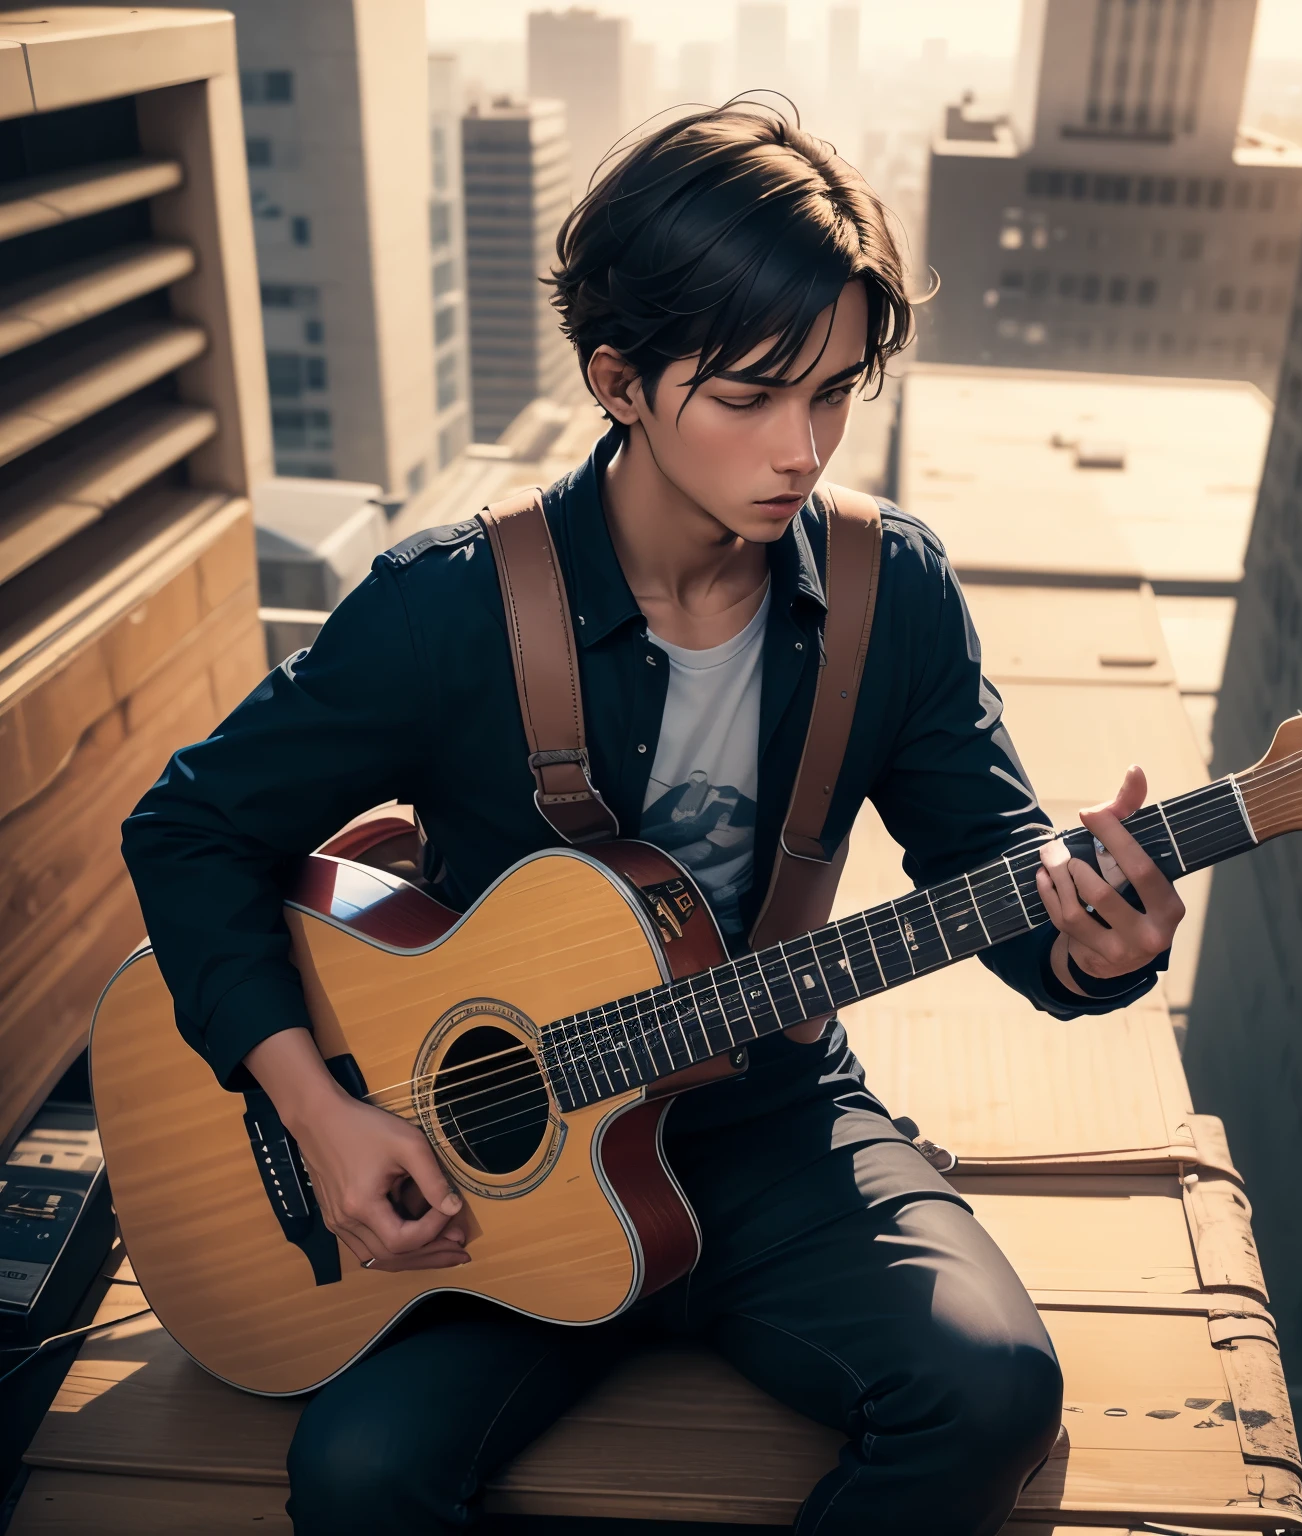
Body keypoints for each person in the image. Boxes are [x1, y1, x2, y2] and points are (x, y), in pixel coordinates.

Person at [121, 102, 1185, 1536]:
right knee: (359, 1480)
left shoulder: (895, 597)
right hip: (485, 1159)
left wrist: (1090, 949)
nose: (800, 447)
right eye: (749, 397)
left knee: (991, 1393)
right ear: (620, 381)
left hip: (771, 1129)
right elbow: (188, 831)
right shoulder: (444, 607)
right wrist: (315, 1111)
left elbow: (991, 867)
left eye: (832, 392)